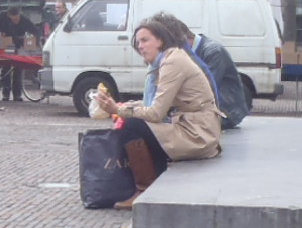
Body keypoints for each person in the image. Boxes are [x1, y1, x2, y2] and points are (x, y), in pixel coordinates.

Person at [89, 13, 222, 209]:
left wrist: (118, 109)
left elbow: (156, 113)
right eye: (138, 43)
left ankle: (144, 191)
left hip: (198, 133)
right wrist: (124, 106)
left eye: (145, 40)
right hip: (194, 127)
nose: (140, 46)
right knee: (141, 125)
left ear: (160, 40)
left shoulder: (172, 62)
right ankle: (154, 186)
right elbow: (154, 104)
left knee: (132, 126)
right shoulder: (170, 59)